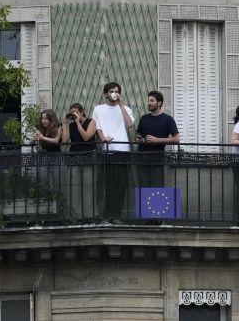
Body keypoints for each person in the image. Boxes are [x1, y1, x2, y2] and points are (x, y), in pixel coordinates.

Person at [93, 82, 136, 220]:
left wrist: (121, 104)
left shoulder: (126, 108)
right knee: (109, 184)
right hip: (108, 151)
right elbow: (97, 127)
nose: (114, 93)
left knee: (121, 184)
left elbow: (129, 124)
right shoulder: (98, 109)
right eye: (111, 91)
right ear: (106, 94)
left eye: (117, 91)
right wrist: (103, 139)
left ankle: (116, 215)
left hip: (123, 151)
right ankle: (108, 215)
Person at [134, 89, 180, 189]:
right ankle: (143, 205)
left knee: (157, 186)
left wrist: (157, 140)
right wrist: (139, 139)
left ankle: (157, 205)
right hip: (142, 156)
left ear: (159, 103)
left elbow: (177, 139)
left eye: (152, 101)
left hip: (158, 157)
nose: (149, 103)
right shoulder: (144, 118)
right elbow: (137, 135)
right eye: (148, 101)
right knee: (143, 186)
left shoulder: (168, 119)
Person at [64, 103, 99, 220]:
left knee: (88, 188)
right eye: (72, 113)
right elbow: (64, 140)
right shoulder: (71, 125)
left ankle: (89, 216)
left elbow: (86, 137)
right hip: (74, 158)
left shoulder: (91, 122)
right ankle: (76, 216)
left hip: (88, 157)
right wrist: (65, 123)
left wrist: (78, 122)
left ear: (82, 112)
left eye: (76, 112)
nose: (74, 115)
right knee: (74, 189)